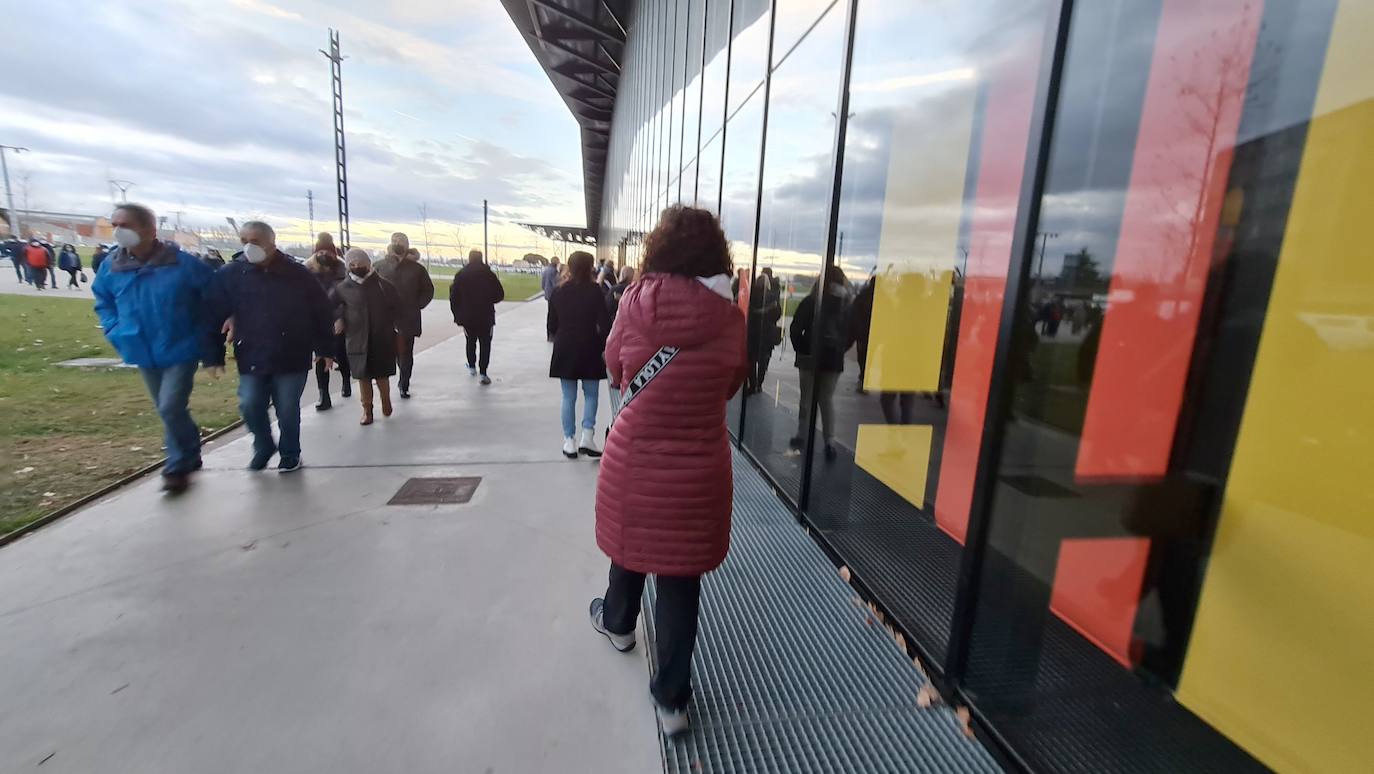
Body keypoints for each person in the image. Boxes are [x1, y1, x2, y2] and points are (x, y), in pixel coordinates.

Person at [589, 205, 747, 738]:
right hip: (699, 467)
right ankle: (672, 701)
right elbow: (729, 384)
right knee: (680, 580)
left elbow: (614, 368)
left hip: (635, 458)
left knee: (630, 545)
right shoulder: (731, 318)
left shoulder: (634, 305)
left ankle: (618, 624)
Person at [92, 203, 218, 494]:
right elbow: (104, 301)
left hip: (180, 347)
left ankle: (177, 464)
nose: (118, 231)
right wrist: (115, 329)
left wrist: (205, 335)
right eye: (115, 225)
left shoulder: (183, 265)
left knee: (170, 405)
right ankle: (189, 452)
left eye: (126, 225)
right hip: (140, 348)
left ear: (149, 229)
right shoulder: (112, 266)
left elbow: (212, 300)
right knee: (167, 410)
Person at [203, 222, 335, 473]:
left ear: (271, 243)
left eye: (255, 241)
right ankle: (263, 444)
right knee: (250, 403)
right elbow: (214, 314)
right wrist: (213, 353)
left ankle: (290, 453)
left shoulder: (297, 274)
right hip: (252, 351)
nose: (249, 247)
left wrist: (325, 349)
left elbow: (321, 311)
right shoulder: (231, 274)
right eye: (244, 241)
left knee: (287, 408)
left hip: (292, 353)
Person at [548, 251, 611, 458]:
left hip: (565, 346)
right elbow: (604, 323)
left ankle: (569, 441)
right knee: (591, 394)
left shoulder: (558, 291)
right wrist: (604, 346)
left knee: (568, 396)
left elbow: (551, 325)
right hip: (589, 346)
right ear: (590, 267)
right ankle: (587, 436)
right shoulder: (595, 291)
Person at [789, 265, 851, 461]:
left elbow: (795, 328)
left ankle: (802, 435)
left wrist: (802, 348)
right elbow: (850, 333)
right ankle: (829, 442)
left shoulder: (811, 302)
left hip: (809, 357)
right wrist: (839, 349)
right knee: (826, 400)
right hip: (833, 360)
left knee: (806, 399)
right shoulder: (845, 305)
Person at [331, 248, 400, 426]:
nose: (356, 267)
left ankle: (386, 401)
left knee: (382, 375)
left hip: (381, 337)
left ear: (368, 264)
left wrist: (391, 325)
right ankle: (367, 410)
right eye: (352, 264)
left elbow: (397, 307)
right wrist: (338, 318)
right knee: (363, 376)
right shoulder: (342, 288)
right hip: (356, 338)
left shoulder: (383, 285)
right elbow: (329, 307)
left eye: (360, 263)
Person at [373, 233, 434, 399]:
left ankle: (404, 383)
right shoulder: (379, 266)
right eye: (395, 241)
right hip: (385, 320)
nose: (397, 244)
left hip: (408, 319)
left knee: (405, 353)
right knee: (390, 352)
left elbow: (428, 290)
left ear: (407, 245)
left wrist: (417, 305)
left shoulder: (417, 269)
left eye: (401, 242)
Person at [450, 249, 506, 385]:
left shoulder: (461, 275)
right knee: (485, 343)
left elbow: (453, 296)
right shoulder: (489, 274)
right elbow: (499, 294)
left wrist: (457, 313)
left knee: (470, 341)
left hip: (468, 316)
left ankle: (471, 366)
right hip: (485, 314)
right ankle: (483, 372)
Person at [305, 244, 350, 409]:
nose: (323, 254)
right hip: (316, 320)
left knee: (340, 353)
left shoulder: (343, 271)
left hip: (336, 318)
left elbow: (347, 297)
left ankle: (346, 381)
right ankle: (323, 395)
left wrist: (340, 318)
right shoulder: (307, 271)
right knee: (320, 357)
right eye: (320, 251)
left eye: (328, 251)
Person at [745, 271, 782, 395]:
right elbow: (777, 315)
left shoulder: (751, 295)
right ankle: (759, 384)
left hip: (753, 332)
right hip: (766, 333)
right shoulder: (772, 296)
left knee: (751, 360)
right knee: (763, 361)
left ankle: (753, 383)